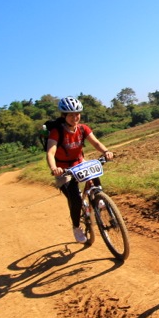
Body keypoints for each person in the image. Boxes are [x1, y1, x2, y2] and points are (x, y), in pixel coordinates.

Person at [46, 96, 114, 243]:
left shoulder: (83, 128)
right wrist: (54, 168)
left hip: (78, 162)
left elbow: (96, 143)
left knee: (94, 167)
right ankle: (76, 227)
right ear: (64, 116)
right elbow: (50, 152)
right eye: (70, 114)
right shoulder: (57, 132)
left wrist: (106, 151)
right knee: (75, 200)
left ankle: (98, 196)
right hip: (63, 168)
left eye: (77, 114)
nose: (74, 117)